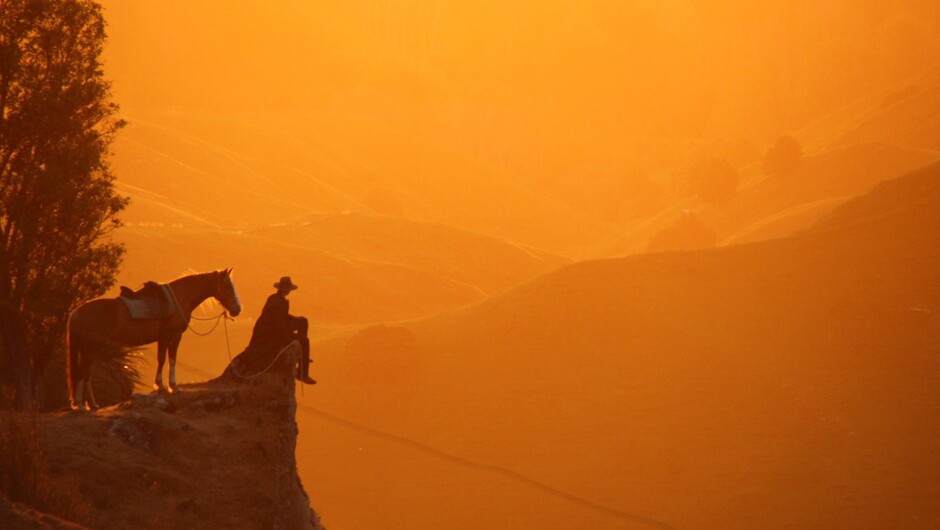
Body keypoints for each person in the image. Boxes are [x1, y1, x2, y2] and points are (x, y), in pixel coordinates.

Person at [245, 276, 316, 384]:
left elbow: (281, 317)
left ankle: (300, 356)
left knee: (303, 321)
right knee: (304, 341)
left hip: (275, 328)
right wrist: (291, 340)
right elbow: (279, 327)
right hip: (271, 335)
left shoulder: (275, 298)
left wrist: (295, 319)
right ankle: (303, 373)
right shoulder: (278, 302)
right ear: (287, 290)